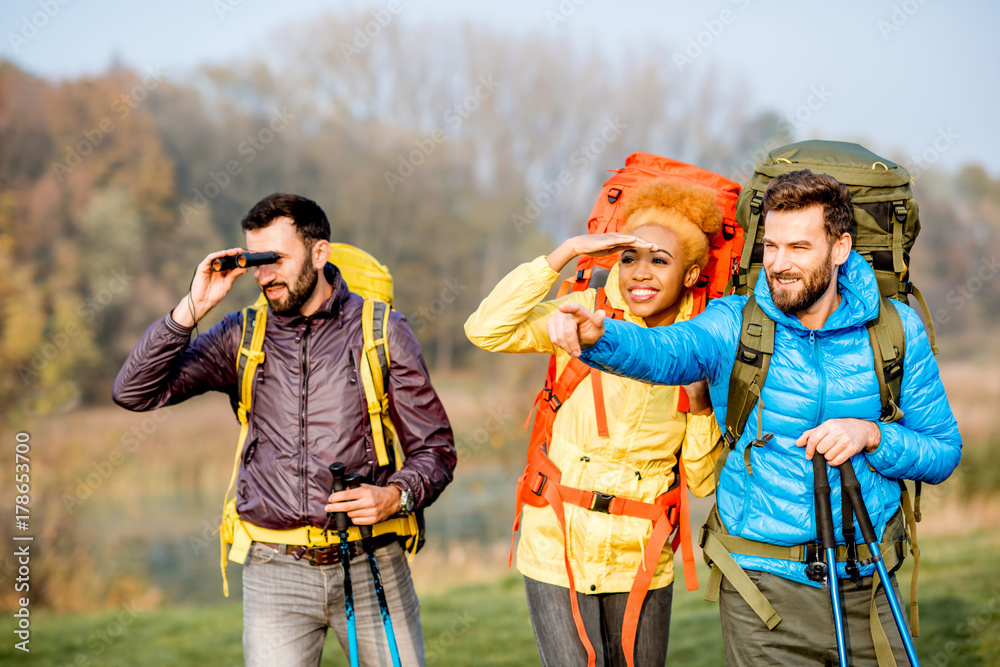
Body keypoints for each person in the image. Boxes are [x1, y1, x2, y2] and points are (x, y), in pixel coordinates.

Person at [547, 170, 962, 665]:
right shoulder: (734, 322)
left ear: (840, 248)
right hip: (760, 595)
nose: (779, 265)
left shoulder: (896, 329)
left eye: (799, 248)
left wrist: (873, 435)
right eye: (771, 246)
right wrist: (602, 338)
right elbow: (664, 351)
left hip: (869, 586)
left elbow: (942, 451)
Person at [113, 193, 456, 667]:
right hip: (274, 571)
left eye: (275, 259)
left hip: (372, 558)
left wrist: (395, 496)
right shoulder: (240, 334)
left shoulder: (383, 331)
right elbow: (134, 392)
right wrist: (193, 307)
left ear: (320, 254)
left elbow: (436, 450)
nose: (263, 273)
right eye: (255, 261)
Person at [465, 178, 725, 666]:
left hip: (642, 559)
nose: (639, 275)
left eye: (659, 261)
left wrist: (703, 405)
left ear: (691, 275)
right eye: (629, 259)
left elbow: (703, 480)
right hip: (556, 546)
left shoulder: (705, 342)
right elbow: (485, 329)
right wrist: (565, 252)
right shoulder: (586, 312)